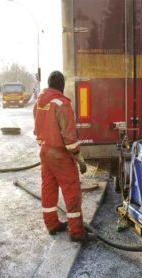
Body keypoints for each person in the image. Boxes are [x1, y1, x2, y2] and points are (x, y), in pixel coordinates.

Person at [33, 71, 94, 243]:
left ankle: (52, 224)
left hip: (45, 152)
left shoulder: (39, 101)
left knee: (48, 188)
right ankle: (76, 232)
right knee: (71, 190)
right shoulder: (62, 103)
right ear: (62, 85)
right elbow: (69, 136)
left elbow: (37, 129)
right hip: (60, 155)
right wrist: (79, 158)